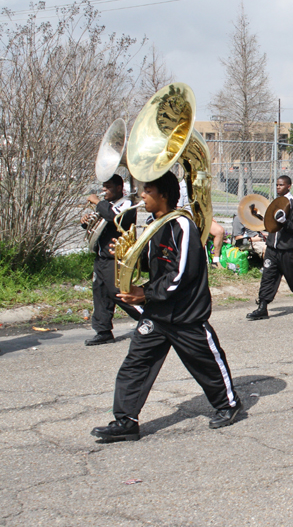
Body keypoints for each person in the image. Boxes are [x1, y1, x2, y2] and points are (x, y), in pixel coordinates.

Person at [90, 172, 241, 442]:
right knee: (136, 362)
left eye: (147, 191)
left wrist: (144, 294)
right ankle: (126, 421)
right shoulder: (152, 223)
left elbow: (181, 273)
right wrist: (124, 255)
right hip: (157, 313)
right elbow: (152, 264)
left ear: (164, 195)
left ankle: (228, 405)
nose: (141, 196)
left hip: (184, 313)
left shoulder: (182, 225)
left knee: (205, 362)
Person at [80, 173, 142, 346]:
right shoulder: (108, 205)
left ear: (119, 188)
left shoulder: (126, 204)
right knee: (100, 293)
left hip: (115, 258)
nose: (103, 190)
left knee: (119, 293)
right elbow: (98, 222)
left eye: (107, 187)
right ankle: (103, 331)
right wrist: (85, 221)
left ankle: (149, 318)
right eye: (103, 187)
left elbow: (113, 217)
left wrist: (97, 202)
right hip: (101, 257)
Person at [247, 175, 293, 320]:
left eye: (281, 185)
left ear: (289, 186)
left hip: (288, 249)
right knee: (268, 277)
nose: (278, 187)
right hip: (272, 249)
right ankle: (262, 307)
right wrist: (256, 215)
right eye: (277, 185)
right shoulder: (275, 203)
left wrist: (284, 221)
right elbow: (270, 222)